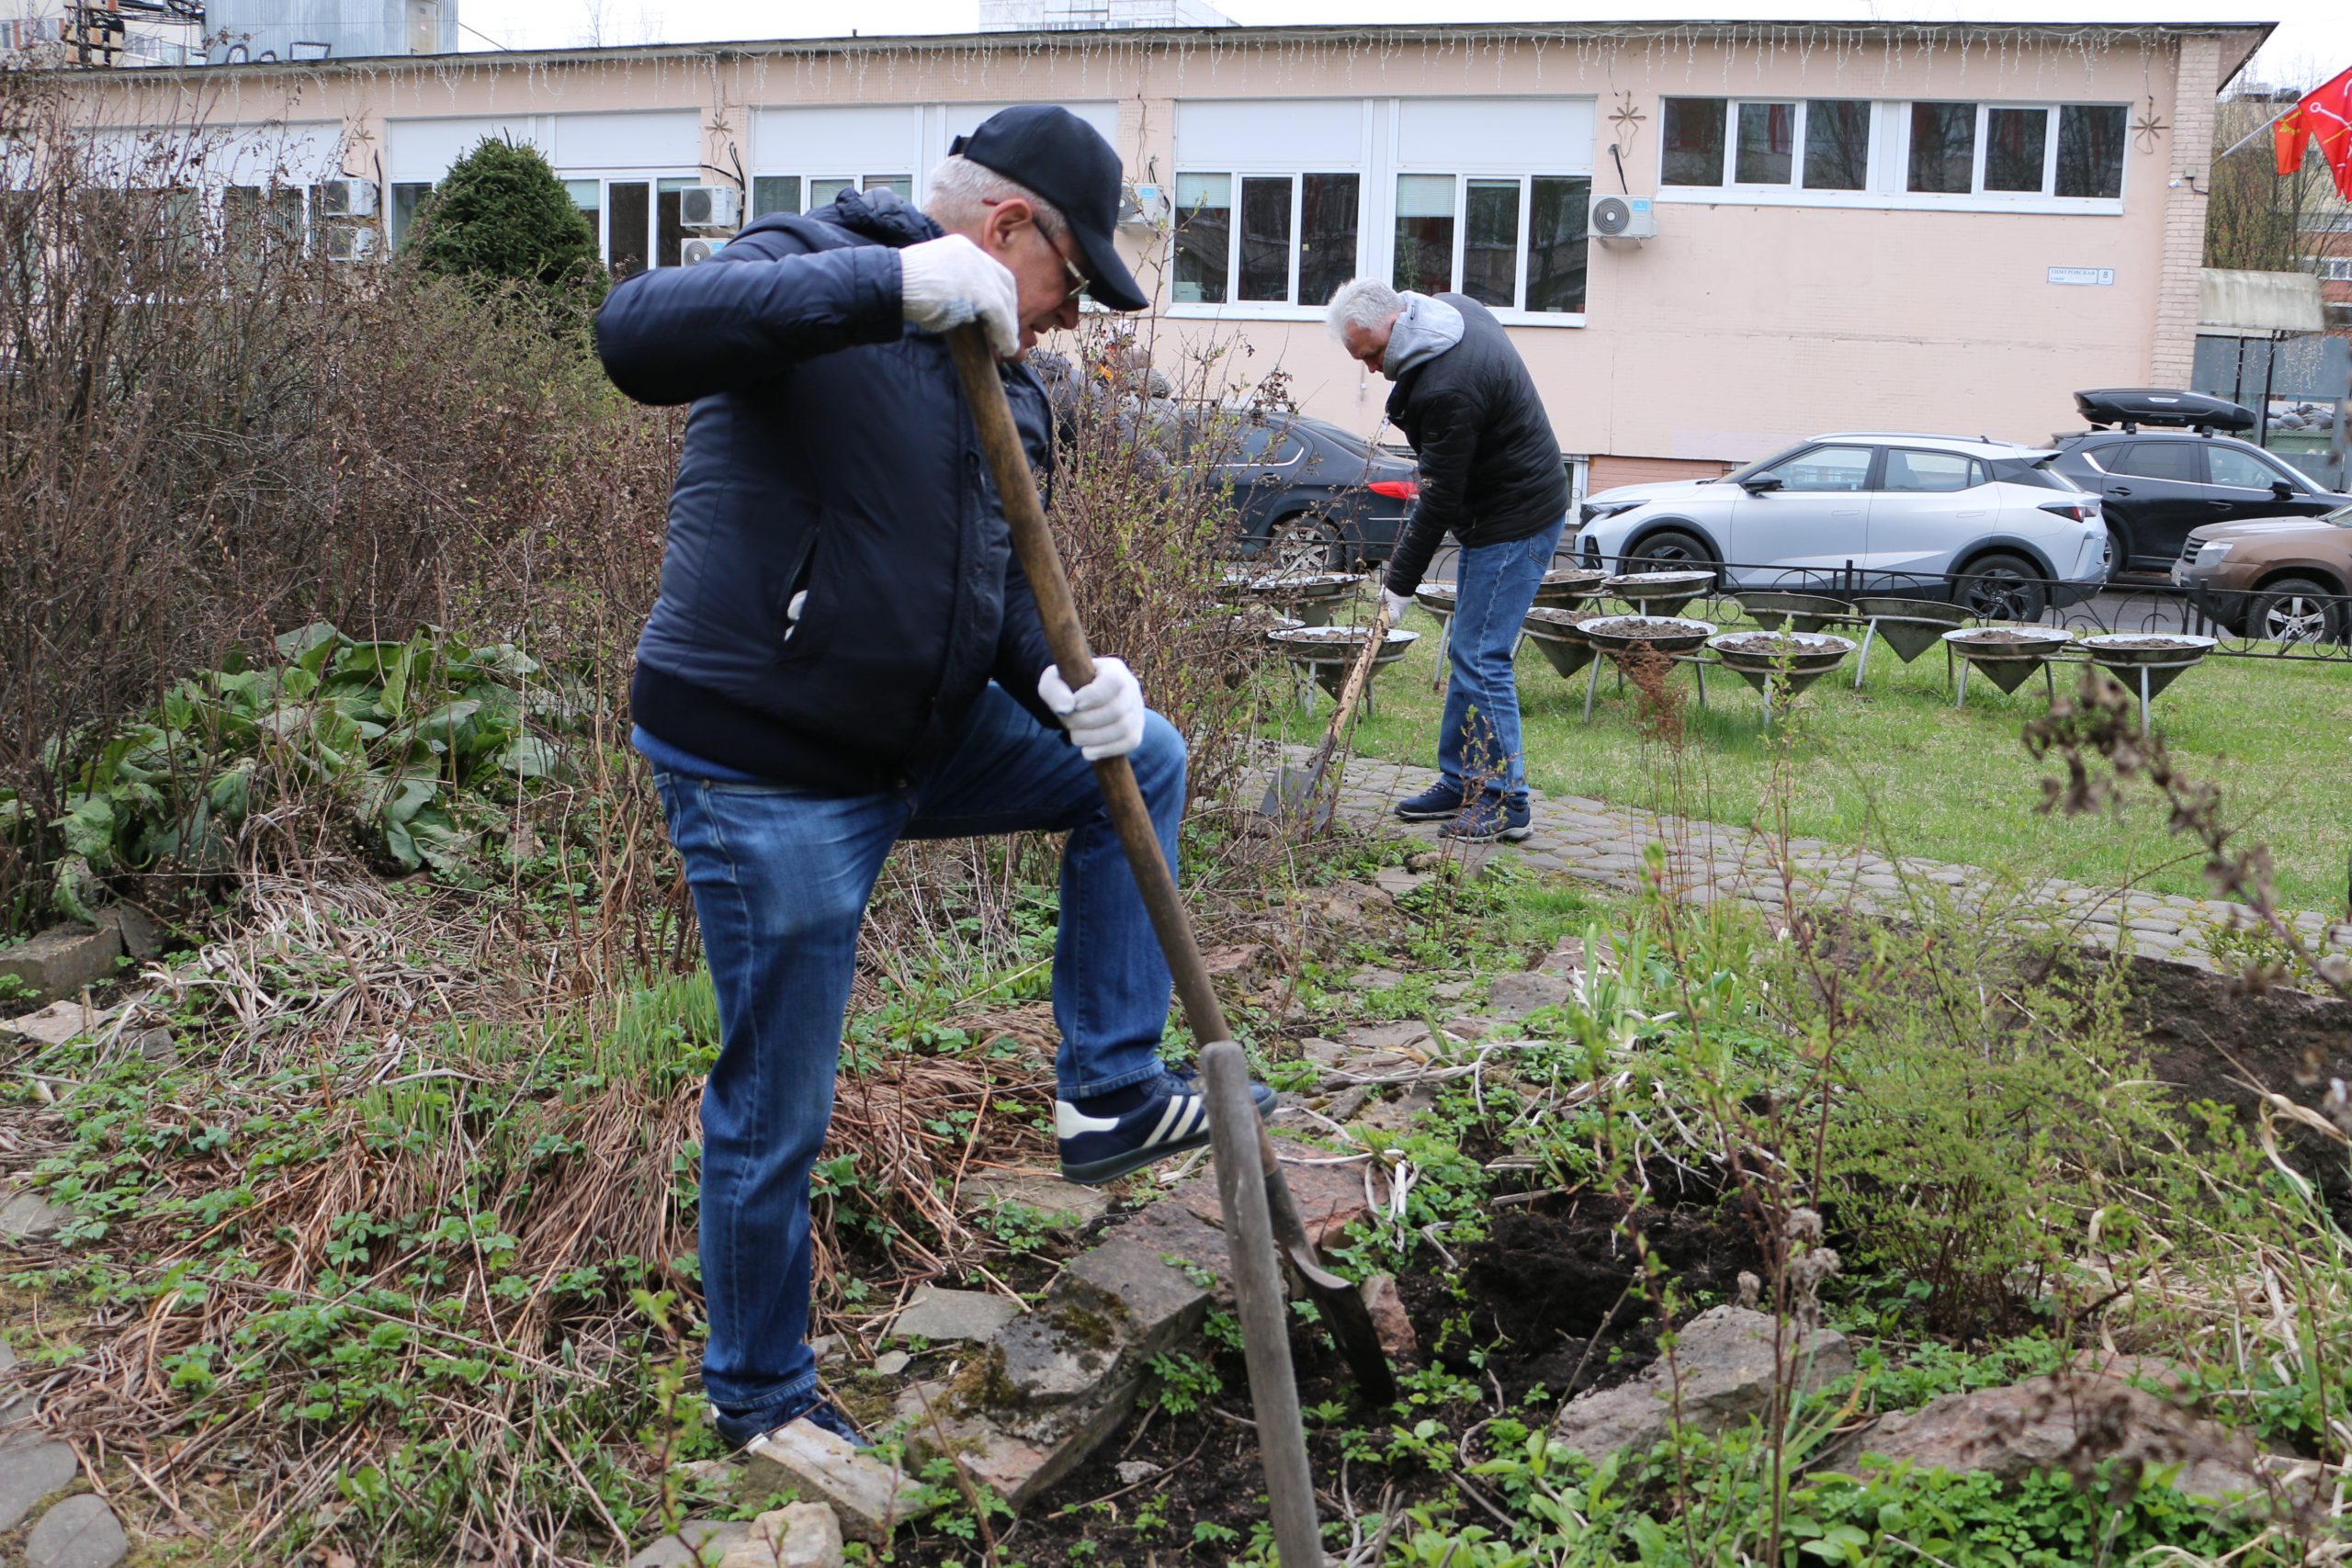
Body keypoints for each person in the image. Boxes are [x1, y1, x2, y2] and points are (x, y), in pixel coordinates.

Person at [594, 106, 1274, 1452]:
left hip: (914, 735)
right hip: (765, 760)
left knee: (1140, 756)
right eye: (1072, 281)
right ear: (1004, 226)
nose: (1072, 318)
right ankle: (762, 1395)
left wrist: (1069, 684)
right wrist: (889, 288)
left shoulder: (1008, 374)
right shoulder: (817, 264)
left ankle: (1109, 1090)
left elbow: (987, 586)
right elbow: (636, 336)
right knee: (779, 1095)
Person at [1326, 277, 1568, 842]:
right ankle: (1462, 780)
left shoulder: (1446, 388)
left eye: (1372, 356)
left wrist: (1397, 586)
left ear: (1393, 324)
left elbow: (1438, 498)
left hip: (1517, 516)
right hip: (1497, 505)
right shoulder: (1449, 313)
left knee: (1481, 654)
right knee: (1470, 646)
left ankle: (1505, 801)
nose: (1372, 370)